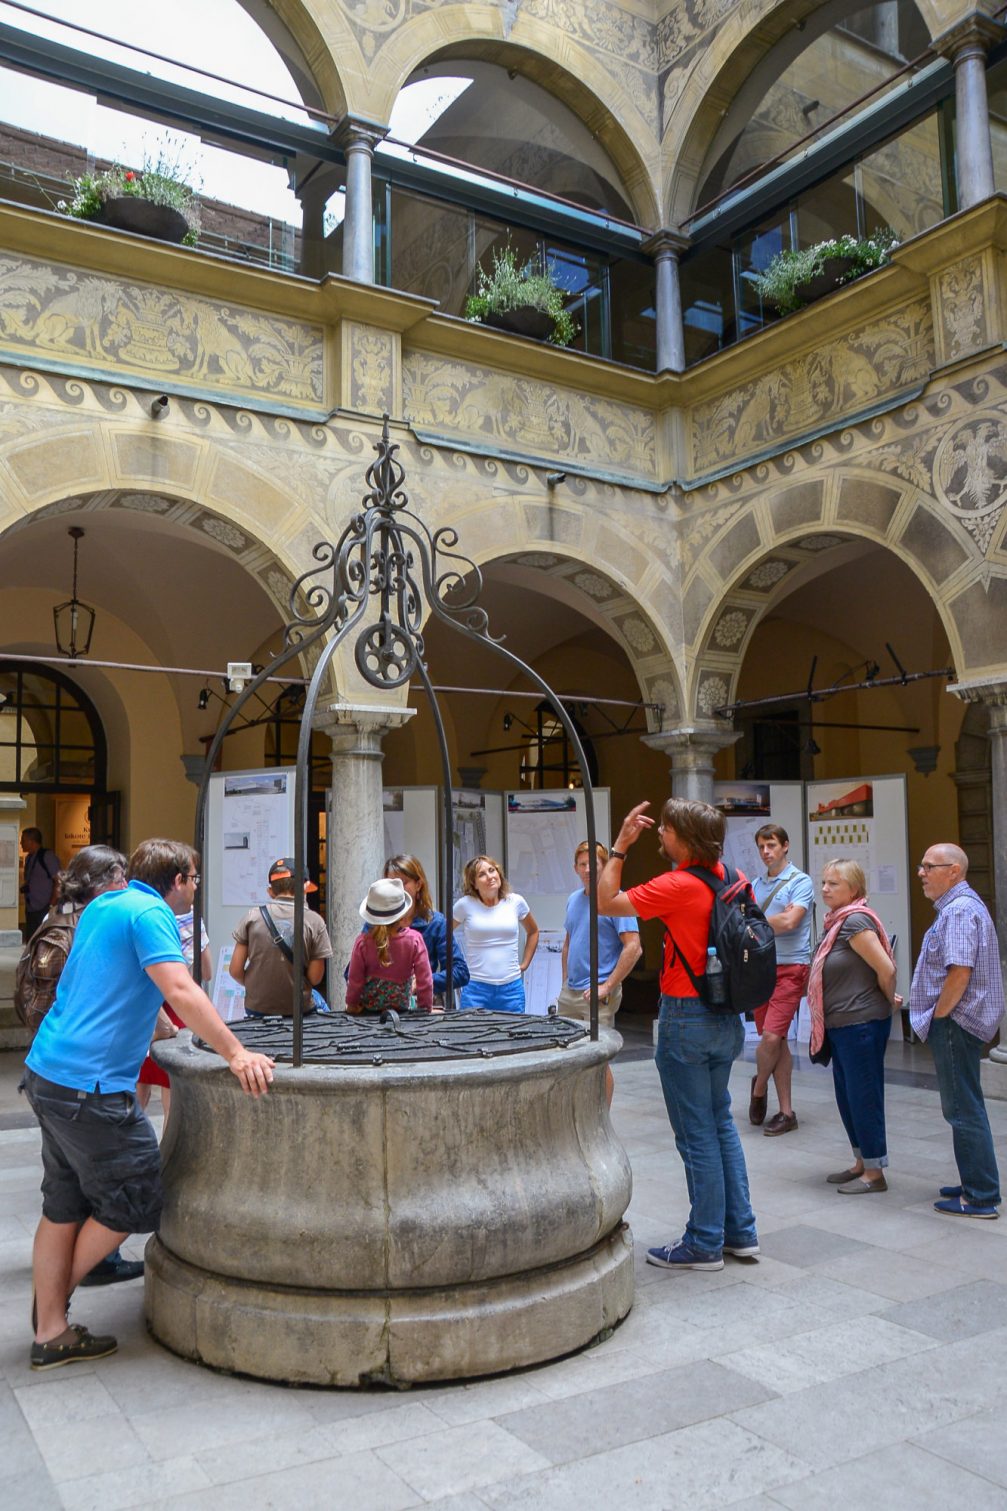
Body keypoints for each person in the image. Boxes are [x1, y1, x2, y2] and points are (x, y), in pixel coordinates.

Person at [22, 838, 274, 1371]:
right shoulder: (151, 913)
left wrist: (159, 1030)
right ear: (178, 879)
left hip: (48, 1071)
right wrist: (236, 1051)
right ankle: (50, 1308)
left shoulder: (105, 906)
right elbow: (180, 988)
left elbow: (110, 985)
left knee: (62, 1206)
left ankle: (51, 1328)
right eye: (195, 879)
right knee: (136, 1200)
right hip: (91, 1088)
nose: (197, 888)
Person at [598, 797, 758, 1272]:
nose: (660, 836)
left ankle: (705, 1242)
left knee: (696, 1135)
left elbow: (607, 902)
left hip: (687, 1017)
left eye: (665, 830)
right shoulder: (733, 878)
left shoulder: (678, 885)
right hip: (726, 1015)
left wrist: (621, 846)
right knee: (720, 1122)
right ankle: (740, 1232)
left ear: (684, 839)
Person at [17, 846, 143, 1290]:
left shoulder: (59, 917)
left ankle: (60, 1295)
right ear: (107, 879)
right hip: (76, 1068)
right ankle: (90, 1268)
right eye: (122, 875)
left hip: (50, 1060)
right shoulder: (85, 922)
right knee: (109, 1180)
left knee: (67, 1190)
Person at [909, 843, 1005, 1218]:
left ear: (954, 872)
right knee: (967, 1104)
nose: (921, 872)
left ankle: (980, 1195)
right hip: (962, 1021)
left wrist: (939, 1016)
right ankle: (974, 1180)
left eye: (929, 866)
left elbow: (959, 971)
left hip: (957, 1022)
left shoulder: (960, 910)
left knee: (962, 1108)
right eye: (922, 865)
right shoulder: (959, 908)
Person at [808, 859, 896, 1195]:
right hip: (841, 1024)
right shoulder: (836, 921)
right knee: (848, 1096)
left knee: (864, 1096)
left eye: (834, 884)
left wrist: (890, 1000)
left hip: (861, 1022)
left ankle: (874, 1173)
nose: (826, 888)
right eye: (825, 882)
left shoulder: (855, 921)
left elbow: (886, 969)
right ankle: (862, 1161)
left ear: (854, 889)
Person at [558, 840, 641, 1103]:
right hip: (571, 992)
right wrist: (564, 983)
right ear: (575, 868)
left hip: (598, 993)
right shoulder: (573, 899)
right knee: (567, 1055)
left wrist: (608, 986)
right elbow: (569, 943)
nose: (587, 870)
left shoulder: (616, 899)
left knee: (598, 1060)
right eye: (582, 864)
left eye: (592, 864)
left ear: (604, 867)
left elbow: (634, 948)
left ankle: (600, 1118)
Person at [748, 824, 814, 1137]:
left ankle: (758, 1088)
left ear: (785, 846)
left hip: (791, 966)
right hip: (761, 967)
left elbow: (790, 921)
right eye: (761, 846)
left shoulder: (800, 881)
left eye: (771, 845)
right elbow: (747, 922)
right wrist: (766, 922)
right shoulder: (755, 885)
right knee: (779, 1041)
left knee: (771, 1039)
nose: (766, 851)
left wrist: (754, 922)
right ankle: (787, 1112)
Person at [137, 900, 212, 1120]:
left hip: (149, 1010)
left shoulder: (147, 920)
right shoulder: (193, 922)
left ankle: (125, 1149)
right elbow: (206, 972)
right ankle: (167, 1153)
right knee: (172, 1091)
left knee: (140, 1087)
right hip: (178, 1011)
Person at [229, 857, 332, 1017]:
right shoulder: (315, 921)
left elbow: (235, 970)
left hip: (256, 1009)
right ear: (304, 887)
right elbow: (315, 977)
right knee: (322, 1005)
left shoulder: (252, 917)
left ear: (270, 892)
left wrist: (256, 987)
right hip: (298, 1009)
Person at [453, 855, 539, 1013]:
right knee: (472, 1036)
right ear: (474, 883)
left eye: (492, 870)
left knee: (513, 1036)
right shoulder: (465, 905)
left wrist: (525, 963)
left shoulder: (515, 901)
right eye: (481, 874)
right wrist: (457, 963)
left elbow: (533, 931)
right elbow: (443, 934)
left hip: (511, 990)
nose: (489, 877)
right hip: (476, 990)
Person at [383, 854, 469, 1003]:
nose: (397, 890)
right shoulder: (378, 921)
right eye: (391, 884)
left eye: (403, 883)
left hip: (421, 1007)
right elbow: (352, 972)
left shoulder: (435, 922)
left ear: (418, 885)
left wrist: (424, 980)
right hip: (382, 1007)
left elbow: (460, 972)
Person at [346, 878, 434, 1014]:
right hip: (402, 1011)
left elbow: (355, 980)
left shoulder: (362, 942)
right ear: (402, 914)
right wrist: (425, 1008)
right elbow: (425, 981)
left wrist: (351, 1004)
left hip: (368, 1013)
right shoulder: (414, 940)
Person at [20, 827, 59, 939]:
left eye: (23, 840)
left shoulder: (47, 857)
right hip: (31, 907)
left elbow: (59, 881)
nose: (21, 843)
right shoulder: (29, 858)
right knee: (31, 939)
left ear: (31, 841)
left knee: (43, 939)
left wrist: (51, 904)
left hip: (44, 907)